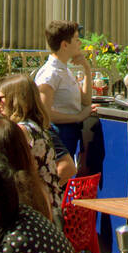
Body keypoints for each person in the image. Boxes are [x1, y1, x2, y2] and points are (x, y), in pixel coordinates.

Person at [0, 73, 65, 213]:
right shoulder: (39, 128)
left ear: (14, 99)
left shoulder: (21, 130)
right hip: (51, 205)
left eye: (0, 99)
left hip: (36, 209)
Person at [34, 20, 92, 159]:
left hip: (70, 133)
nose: (80, 43)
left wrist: (87, 70)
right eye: (77, 40)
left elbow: (85, 100)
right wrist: (78, 117)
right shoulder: (50, 74)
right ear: (65, 45)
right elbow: (44, 114)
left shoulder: (64, 69)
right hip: (59, 135)